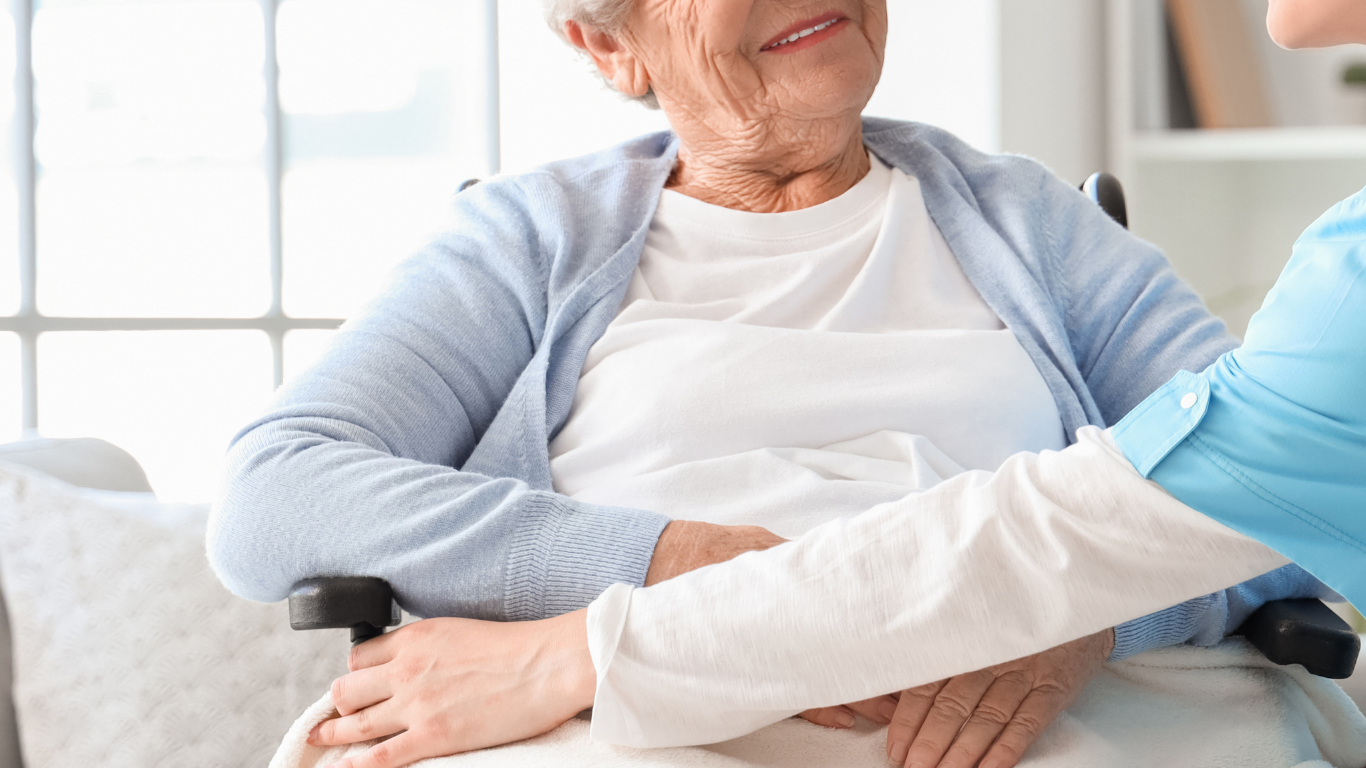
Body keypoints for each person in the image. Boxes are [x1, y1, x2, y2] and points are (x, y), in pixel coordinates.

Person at [211, 1, 1345, 767]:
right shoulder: (528, 239)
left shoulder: (1030, 221)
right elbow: (278, 492)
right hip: (640, 720)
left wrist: (1074, 617)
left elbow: (1288, 497)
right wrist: (667, 562)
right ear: (611, 47)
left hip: (1002, 728)